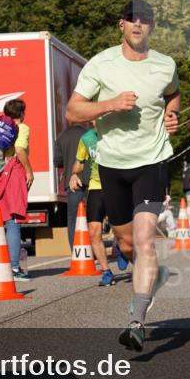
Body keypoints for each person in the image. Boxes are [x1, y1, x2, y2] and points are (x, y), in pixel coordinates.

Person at [65, 0, 179, 352]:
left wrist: (171, 116)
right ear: (121, 26)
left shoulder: (165, 65)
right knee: (127, 244)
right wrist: (110, 104)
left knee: (145, 239)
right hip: (112, 165)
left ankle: (137, 321)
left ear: (152, 27)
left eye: (145, 21)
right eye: (132, 21)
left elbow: (172, 96)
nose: (138, 26)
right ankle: (152, 277)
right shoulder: (101, 64)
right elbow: (72, 111)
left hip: (152, 160)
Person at [0, 99, 33, 280]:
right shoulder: (22, 128)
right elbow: (19, 149)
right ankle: (15, 269)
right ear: (22, 113)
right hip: (12, 174)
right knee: (13, 222)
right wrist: (29, 171)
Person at [70, 122, 118, 286]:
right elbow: (80, 161)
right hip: (96, 186)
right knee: (93, 232)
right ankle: (106, 271)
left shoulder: (116, 133)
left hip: (116, 187)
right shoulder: (87, 138)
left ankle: (123, 251)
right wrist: (74, 174)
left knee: (121, 230)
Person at [55, 123, 89, 248]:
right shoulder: (89, 134)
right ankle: (93, 250)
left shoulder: (62, 136)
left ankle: (76, 252)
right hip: (91, 180)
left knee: (73, 219)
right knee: (93, 217)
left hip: (72, 181)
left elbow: (57, 161)